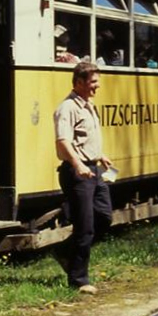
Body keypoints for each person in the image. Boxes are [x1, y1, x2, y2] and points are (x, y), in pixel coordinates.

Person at [54, 62, 113, 294]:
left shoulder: (88, 105)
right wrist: (77, 163)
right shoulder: (67, 108)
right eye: (93, 82)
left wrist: (100, 156)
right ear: (79, 82)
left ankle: (65, 252)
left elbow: (86, 139)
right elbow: (63, 141)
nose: (96, 87)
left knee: (104, 217)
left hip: (94, 169)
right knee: (85, 226)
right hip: (77, 172)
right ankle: (79, 280)